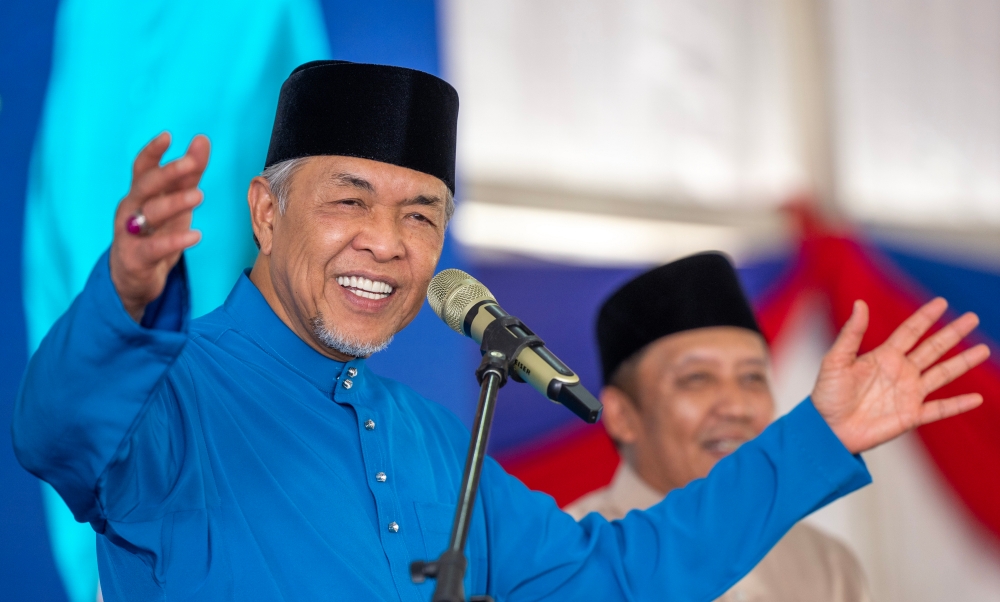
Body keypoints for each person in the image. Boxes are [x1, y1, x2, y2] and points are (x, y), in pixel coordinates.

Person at [12, 60, 989, 601]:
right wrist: (129, 292)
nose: (389, 243)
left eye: (422, 213)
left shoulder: (438, 438)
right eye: (350, 201)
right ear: (266, 215)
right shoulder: (173, 392)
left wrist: (817, 437)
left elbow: (614, 574)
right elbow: (56, 431)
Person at [567, 254, 872, 601]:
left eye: (752, 377)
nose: (737, 407)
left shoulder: (826, 566)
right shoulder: (565, 562)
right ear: (622, 415)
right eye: (697, 378)